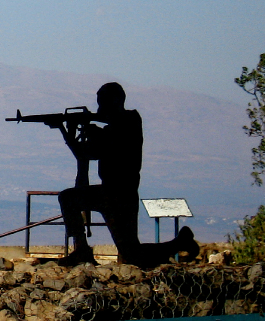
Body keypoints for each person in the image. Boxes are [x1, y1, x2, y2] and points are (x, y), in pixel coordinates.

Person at [57, 82, 197, 268]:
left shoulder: (129, 121)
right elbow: (85, 154)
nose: (99, 109)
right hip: (112, 193)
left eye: (102, 103)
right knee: (131, 253)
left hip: (120, 194)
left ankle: (179, 243)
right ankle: (82, 249)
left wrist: (89, 132)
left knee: (131, 255)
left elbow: (111, 142)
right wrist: (66, 131)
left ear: (116, 100)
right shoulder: (113, 129)